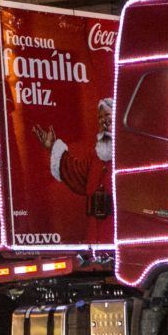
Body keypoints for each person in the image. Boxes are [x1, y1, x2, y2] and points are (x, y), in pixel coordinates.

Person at [32, 98, 114, 243]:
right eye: (100, 118)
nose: (102, 122)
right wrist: (52, 147)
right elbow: (77, 173)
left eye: (107, 117)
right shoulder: (96, 156)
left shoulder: (129, 154)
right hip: (95, 237)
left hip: (115, 235)